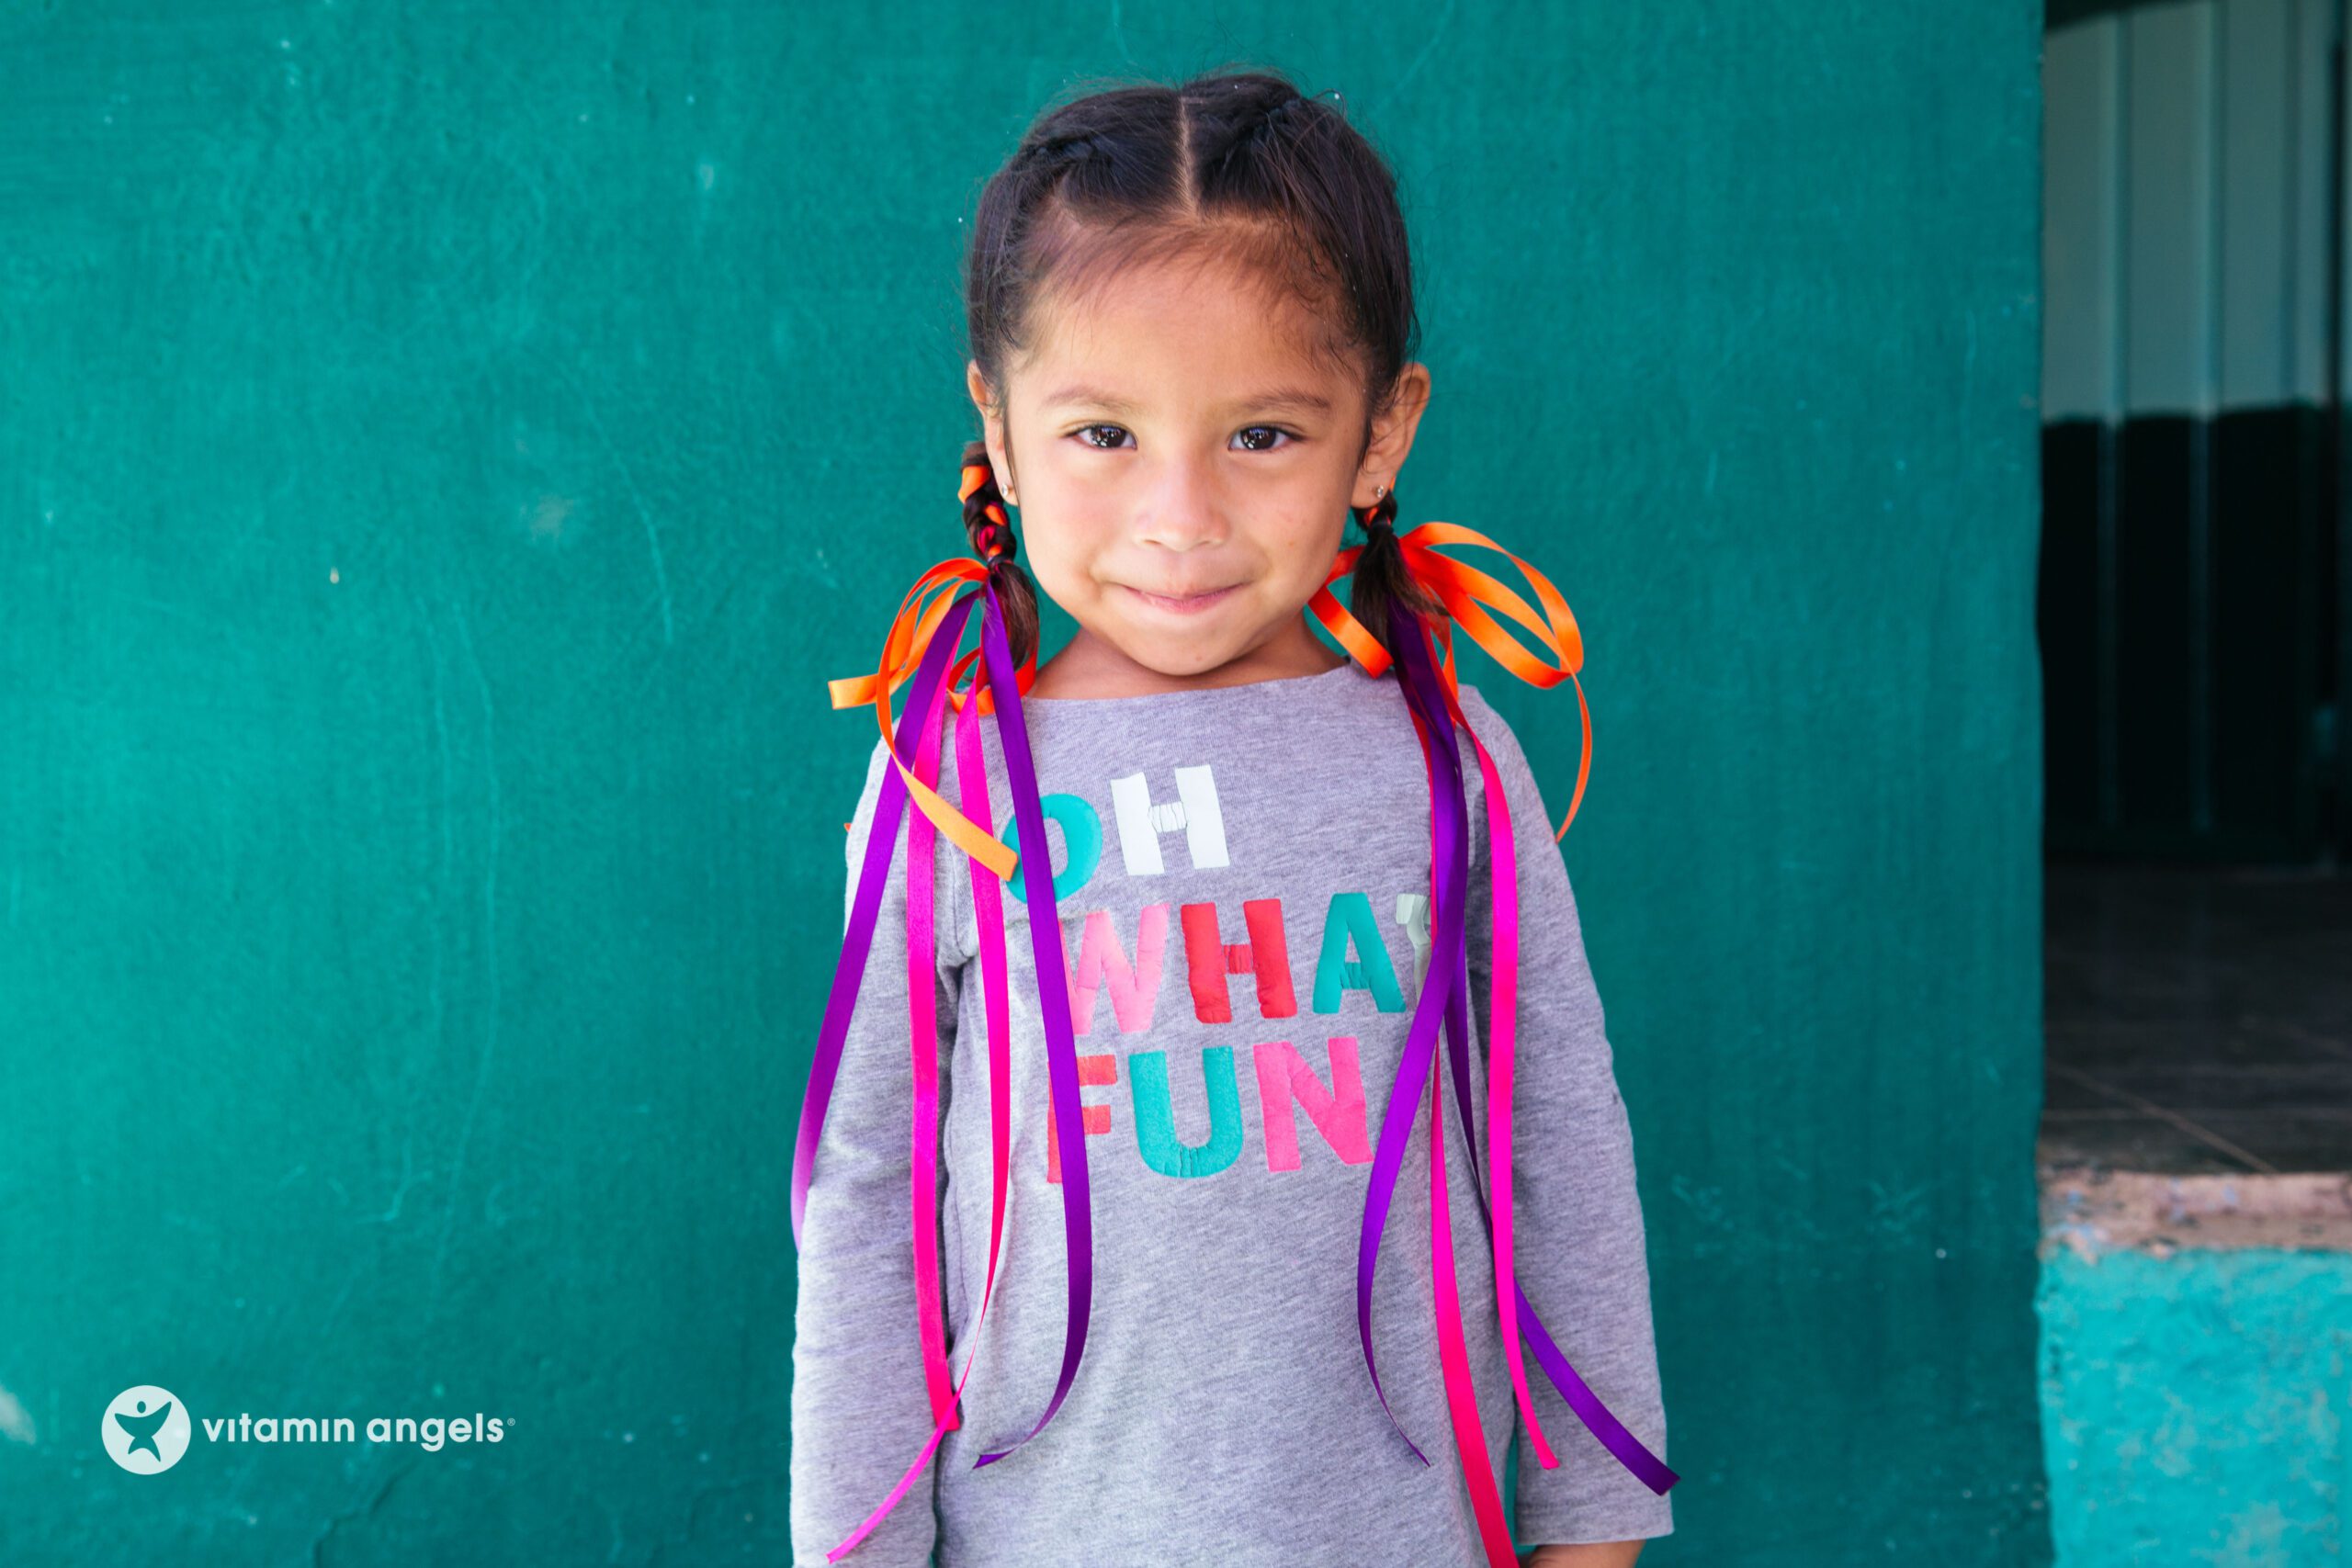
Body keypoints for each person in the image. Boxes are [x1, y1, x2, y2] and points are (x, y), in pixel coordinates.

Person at [788, 68, 1677, 1568]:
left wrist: (1592, 1519)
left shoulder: (1448, 759)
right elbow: (865, 1184)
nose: (1180, 519)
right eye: (1102, 436)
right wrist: (853, 1547)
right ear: (997, 428)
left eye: (1262, 435)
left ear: (1380, 437)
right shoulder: (948, 780)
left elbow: (1563, 1145)